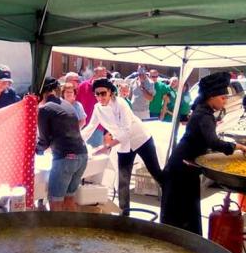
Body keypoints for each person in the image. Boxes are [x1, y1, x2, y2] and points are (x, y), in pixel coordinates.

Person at [161, 72, 246, 235]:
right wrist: (238, 147)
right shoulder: (204, 115)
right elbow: (213, 142)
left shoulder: (203, 112)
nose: (225, 102)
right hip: (181, 169)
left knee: (183, 209)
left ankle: (183, 242)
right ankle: (181, 244)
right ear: (211, 97)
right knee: (182, 211)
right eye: (223, 98)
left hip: (184, 165)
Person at [81, 78, 163, 214]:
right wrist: (76, 139)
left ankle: (169, 203)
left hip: (141, 139)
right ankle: (125, 214)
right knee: (123, 180)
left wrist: (107, 146)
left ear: (111, 93)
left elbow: (126, 131)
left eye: (103, 93)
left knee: (156, 172)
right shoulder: (97, 108)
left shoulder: (121, 104)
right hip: (124, 144)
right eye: (97, 94)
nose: (100, 97)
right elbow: (90, 127)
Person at [37, 77, 88, 211]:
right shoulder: (67, 105)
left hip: (65, 158)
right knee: (69, 199)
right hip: (82, 155)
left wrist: (35, 150)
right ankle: (73, 231)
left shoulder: (45, 109)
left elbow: (43, 141)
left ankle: (57, 232)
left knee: (55, 203)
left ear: (42, 92)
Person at [77, 66, 107, 146]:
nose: (102, 79)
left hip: (98, 127)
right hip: (82, 125)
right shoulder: (82, 86)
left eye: (104, 77)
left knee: (95, 154)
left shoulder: (107, 89)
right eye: (100, 76)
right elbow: (76, 104)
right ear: (94, 75)